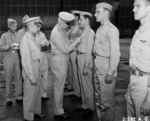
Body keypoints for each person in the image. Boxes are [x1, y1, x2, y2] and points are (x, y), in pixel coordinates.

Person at [50, 11, 81, 119]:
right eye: (67, 24)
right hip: (60, 60)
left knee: (60, 86)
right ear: (61, 22)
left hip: (61, 60)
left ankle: (59, 107)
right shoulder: (57, 32)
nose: (68, 26)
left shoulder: (60, 29)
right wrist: (77, 41)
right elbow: (65, 49)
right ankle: (58, 111)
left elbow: (66, 42)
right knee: (58, 87)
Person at [94, 2, 120, 121]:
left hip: (106, 70)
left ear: (106, 12)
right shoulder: (99, 29)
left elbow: (115, 53)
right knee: (99, 99)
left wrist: (110, 72)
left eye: (97, 12)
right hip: (97, 68)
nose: (95, 14)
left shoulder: (112, 30)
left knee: (107, 103)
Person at [125, 0, 150, 120]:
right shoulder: (139, 31)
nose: (133, 9)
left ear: (149, 8)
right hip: (133, 81)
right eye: (134, 6)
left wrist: (149, 99)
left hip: (145, 86)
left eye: (137, 6)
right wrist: (130, 88)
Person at [20, 17, 46, 121]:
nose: (38, 29)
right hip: (31, 68)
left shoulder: (33, 38)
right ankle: (28, 117)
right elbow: (25, 61)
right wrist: (31, 77)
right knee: (30, 94)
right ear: (30, 26)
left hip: (37, 66)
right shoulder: (25, 40)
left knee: (37, 92)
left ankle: (36, 112)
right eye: (36, 26)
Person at [76, 11, 95, 116]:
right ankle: (84, 105)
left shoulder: (90, 33)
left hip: (85, 59)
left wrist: (86, 66)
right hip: (80, 57)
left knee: (87, 84)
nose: (79, 22)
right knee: (82, 83)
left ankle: (89, 107)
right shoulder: (84, 31)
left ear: (87, 20)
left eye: (81, 19)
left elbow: (89, 51)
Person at [0, 19, 23, 105]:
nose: (15, 28)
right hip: (8, 56)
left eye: (16, 26)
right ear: (9, 26)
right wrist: (9, 46)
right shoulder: (4, 36)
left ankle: (18, 96)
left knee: (18, 77)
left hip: (17, 56)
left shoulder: (19, 35)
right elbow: (0, 48)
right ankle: (8, 97)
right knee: (8, 77)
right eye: (13, 26)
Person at [69, 10, 82, 101]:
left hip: (75, 51)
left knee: (76, 73)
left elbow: (80, 40)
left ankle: (78, 93)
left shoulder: (80, 27)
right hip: (71, 51)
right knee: (73, 73)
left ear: (77, 17)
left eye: (73, 15)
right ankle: (75, 91)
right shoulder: (75, 26)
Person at [35, 19, 50, 100]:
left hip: (43, 54)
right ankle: (36, 94)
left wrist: (45, 42)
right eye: (38, 24)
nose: (39, 26)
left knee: (44, 75)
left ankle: (43, 94)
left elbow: (47, 43)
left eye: (40, 24)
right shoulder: (33, 34)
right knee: (37, 75)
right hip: (36, 55)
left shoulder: (42, 34)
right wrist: (41, 43)